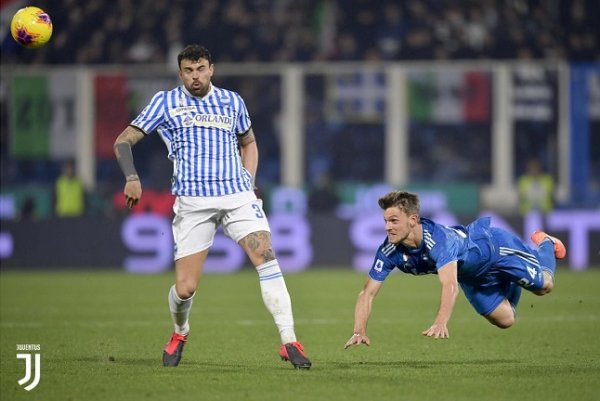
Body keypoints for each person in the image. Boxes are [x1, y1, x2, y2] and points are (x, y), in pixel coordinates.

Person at [114, 44, 311, 369]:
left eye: (201, 68)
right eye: (189, 71)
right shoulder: (165, 102)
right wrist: (132, 176)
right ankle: (180, 331)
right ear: (180, 73)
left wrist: (248, 181)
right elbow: (123, 140)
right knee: (186, 288)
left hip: (238, 197)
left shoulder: (232, 101)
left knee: (266, 257)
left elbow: (248, 142)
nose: (195, 76)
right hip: (193, 202)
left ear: (211, 69)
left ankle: (289, 340)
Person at [344, 191, 566, 348]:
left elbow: (450, 285)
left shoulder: (439, 240)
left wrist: (440, 322)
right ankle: (514, 278)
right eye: (385, 221)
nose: (387, 227)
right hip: (471, 276)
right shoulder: (389, 250)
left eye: (393, 220)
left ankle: (545, 243)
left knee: (544, 286)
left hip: (495, 250)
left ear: (413, 220)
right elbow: (367, 293)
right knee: (506, 320)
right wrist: (359, 330)